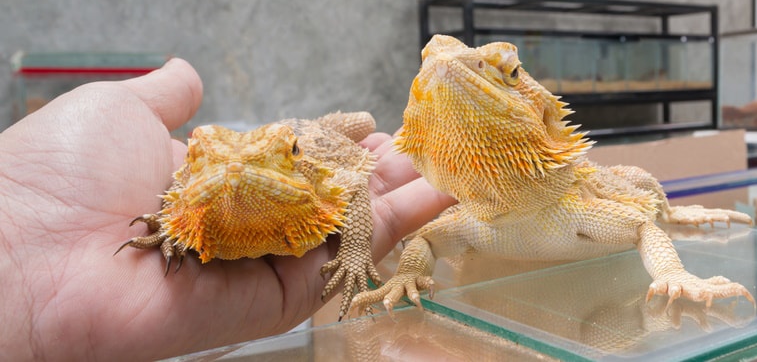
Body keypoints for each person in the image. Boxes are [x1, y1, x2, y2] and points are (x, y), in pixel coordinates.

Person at [0, 58, 455, 360]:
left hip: (310, 137)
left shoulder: (316, 183)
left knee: (367, 125)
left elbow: (357, 189)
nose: (236, 177)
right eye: (205, 160)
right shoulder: (187, 197)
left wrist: (356, 251)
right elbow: (178, 196)